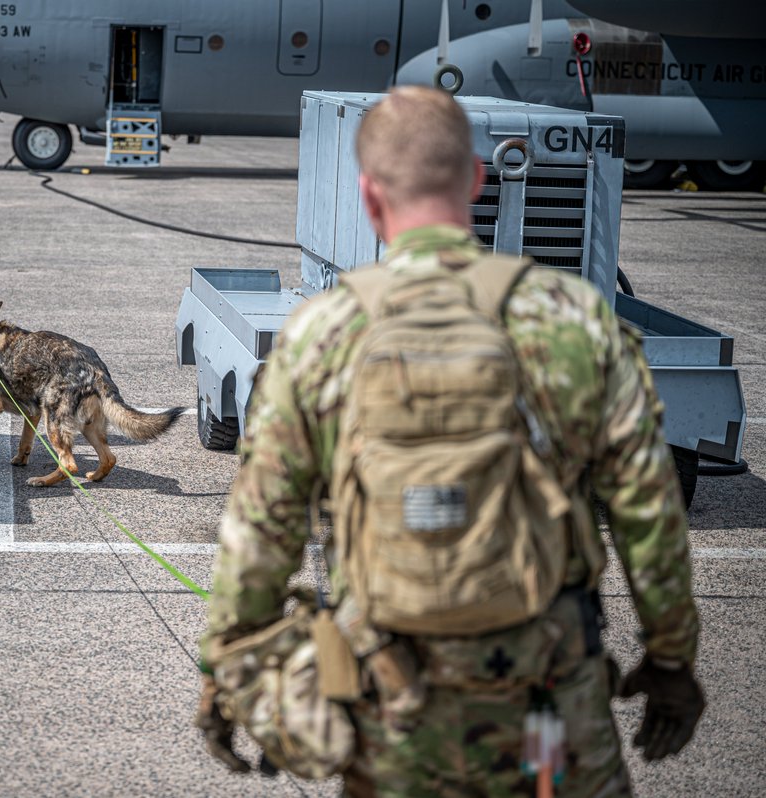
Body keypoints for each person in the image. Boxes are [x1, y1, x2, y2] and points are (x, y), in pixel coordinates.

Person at [197, 86, 704, 797]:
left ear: (369, 195)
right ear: (475, 178)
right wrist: (672, 658)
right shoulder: (573, 319)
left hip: (392, 712)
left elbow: (260, 529)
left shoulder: (324, 334)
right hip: (549, 709)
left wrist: (226, 672)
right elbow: (650, 514)